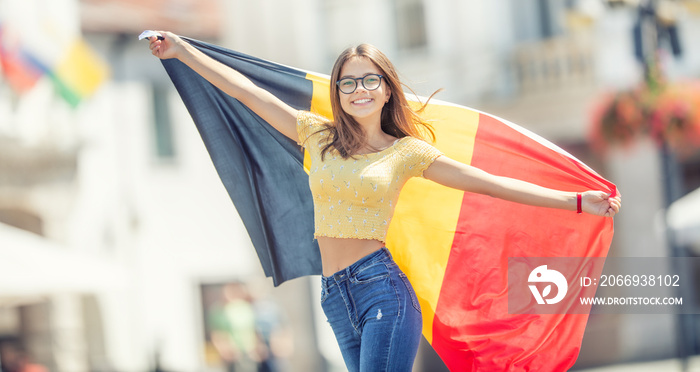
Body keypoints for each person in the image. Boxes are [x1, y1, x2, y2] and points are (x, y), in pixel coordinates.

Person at [147, 32, 622, 372]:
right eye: (348, 83)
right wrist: (182, 51)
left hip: (383, 292)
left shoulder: (406, 152)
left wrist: (576, 201)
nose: (359, 90)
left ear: (387, 88)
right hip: (335, 296)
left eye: (369, 80)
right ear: (336, 92)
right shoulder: (317, 135)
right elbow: (246, 91)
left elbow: (484, 182)